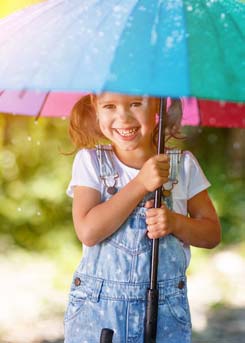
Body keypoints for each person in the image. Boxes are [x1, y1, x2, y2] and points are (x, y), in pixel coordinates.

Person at [64, 92, 221, 343]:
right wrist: (140, 183)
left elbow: (212, 234)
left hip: (164, 312)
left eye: (136, 103)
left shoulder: (182, 166)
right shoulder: (90, 162)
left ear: (157, 105)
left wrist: (176, 222)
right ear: (95, 108)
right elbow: (88, 232)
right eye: (110, 106)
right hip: (99, 312)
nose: (123, 117)